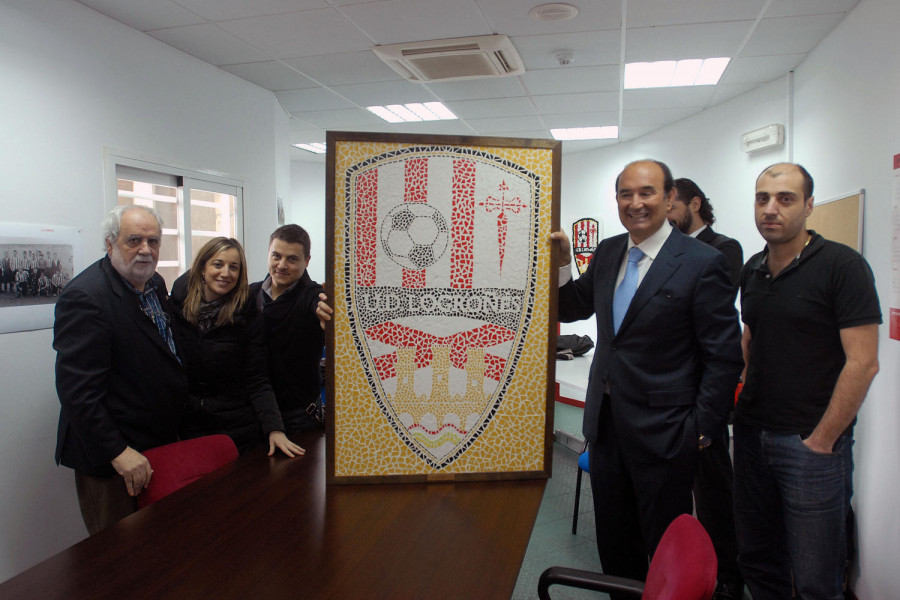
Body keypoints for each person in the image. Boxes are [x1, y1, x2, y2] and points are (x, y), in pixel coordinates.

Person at [549, 159, 743, 591]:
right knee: (615, 545)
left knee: (665, 548)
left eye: (647, 192)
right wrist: (563, 264)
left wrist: (701, 431)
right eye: (626, 194)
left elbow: (723, 356)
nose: (636, 203)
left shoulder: (702, 261)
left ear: (670, 197)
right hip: (606, 427)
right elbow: (572, 306)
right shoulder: (610, 251)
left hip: (667, 434)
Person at [734, 163, 880, 600]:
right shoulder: (753, 268)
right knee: (759, 562)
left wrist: (822, 440)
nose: (771, 209)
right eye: (763, 199)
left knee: (817, 577)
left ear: (809, 205)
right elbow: (751, 337)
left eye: (785, 198)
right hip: (751, 437)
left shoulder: (843, 266)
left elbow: (863, 363)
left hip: (810, 448)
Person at [54, 205, 187, 534]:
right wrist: (117, 452)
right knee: (116, 559)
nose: (146, 249)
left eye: (153, 241)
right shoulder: (86, 298)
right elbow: (78, 392)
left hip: (154, 442)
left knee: (156, 544)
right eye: (134, 240)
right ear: (110, 244)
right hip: (112, 457)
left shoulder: (153, 283)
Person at [668, 177, 745, 599]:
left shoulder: (724, 248)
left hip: (705, 392)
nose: (664, 213)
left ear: (694, 203)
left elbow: (703, 310)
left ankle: (730, 575)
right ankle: (681, 569)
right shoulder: (667, 249)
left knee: (714, 490)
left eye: (671, 205)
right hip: (671, 390)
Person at [169, 237, 304, 457]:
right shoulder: (176, 307)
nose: (226, 273)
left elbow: (257, 378)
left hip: (236, 431)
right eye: (218, 264)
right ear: (203, 267)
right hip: (187, 428)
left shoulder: (248, 315)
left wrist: (274, 428)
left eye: (234, 267)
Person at [249, 225, 326, 433]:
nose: (282, 265)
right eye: (276, 256)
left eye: (292, 259)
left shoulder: (312, 295)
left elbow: (320, 304)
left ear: (307, 261)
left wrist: (325, 313)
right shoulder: (250, 294)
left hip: (299, 417)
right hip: (254, 412)